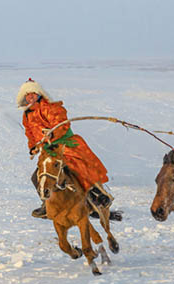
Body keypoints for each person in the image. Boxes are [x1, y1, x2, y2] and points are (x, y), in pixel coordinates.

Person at [17, 78, 113, 218]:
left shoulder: (52, 107)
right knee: (38, 177)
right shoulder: (27, 114)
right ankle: (47, 204)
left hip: (65, 145)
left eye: (33, 93)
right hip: (47, 151)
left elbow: (62, 124)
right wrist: (33, 146)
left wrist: (53, 134)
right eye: (28, 94)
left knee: (77, 169)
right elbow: (30, 133)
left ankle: (98, 198)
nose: (30, 97)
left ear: (39, 94)